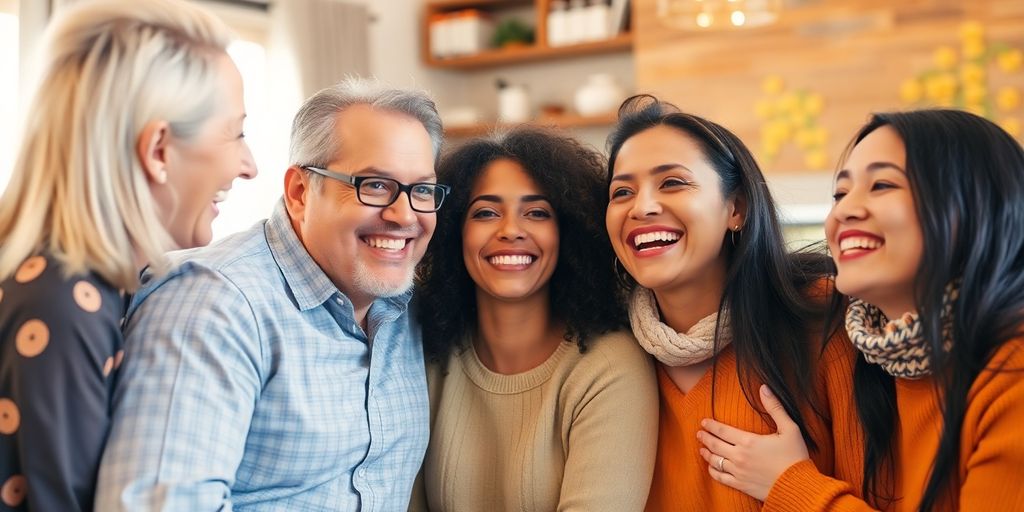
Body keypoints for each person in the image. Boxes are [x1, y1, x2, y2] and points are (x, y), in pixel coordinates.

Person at [94, 78, 445, 510]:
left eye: (423, 190)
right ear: (300, 192)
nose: (404, 214)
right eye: (373, 185)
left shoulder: (403, 303)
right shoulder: (213, 303)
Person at [697, 109, 1024, 510]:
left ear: (975, 203)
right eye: (840, 194)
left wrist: (793, 485)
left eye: (882, 185)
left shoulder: (1011, 372)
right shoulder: (884, 363)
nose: (844, 211)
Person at [0, 0, 256, 509]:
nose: (249, 165)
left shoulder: (95, 286)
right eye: (237, 133)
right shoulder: (63, 303)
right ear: (159, 149)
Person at [604, 95, 865, 510]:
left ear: (736, 208)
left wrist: (790, 485)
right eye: (622, 192)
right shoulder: (605, 349)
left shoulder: (827, 317)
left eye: (672, 182)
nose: (643, 207)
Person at [411, 127, 658, 511]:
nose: (511, 230)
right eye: (486, 213)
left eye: (537, 213)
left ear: (568, 233)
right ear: (454, 231)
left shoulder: (609, 367)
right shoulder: (424, 355)